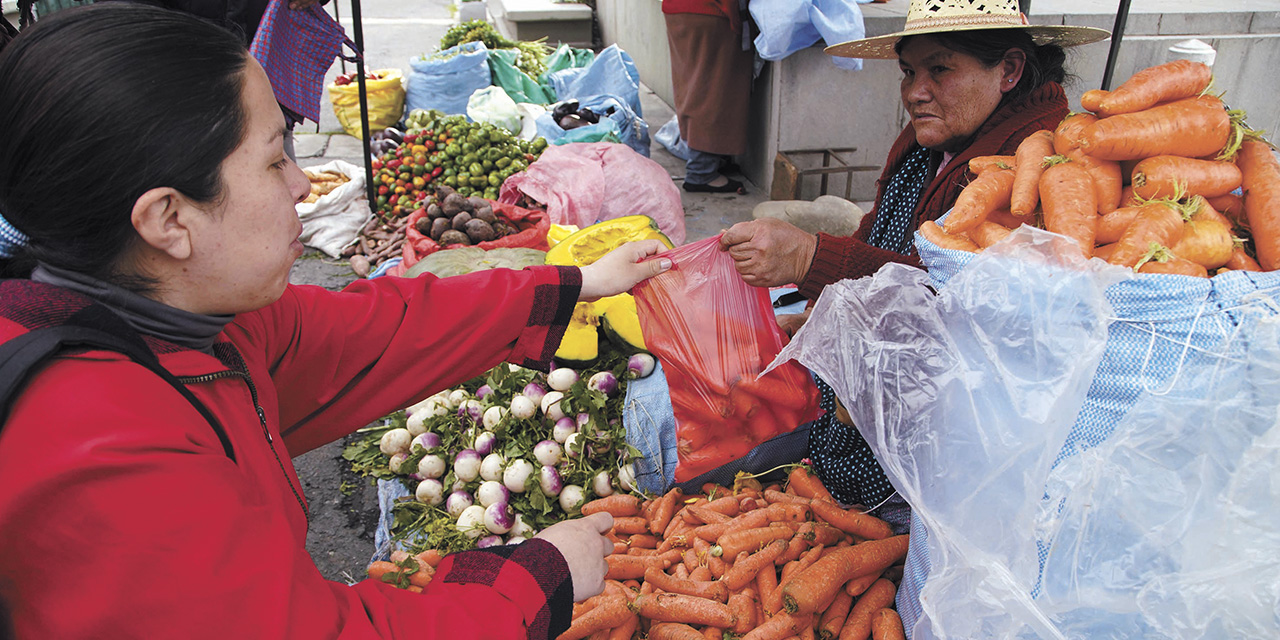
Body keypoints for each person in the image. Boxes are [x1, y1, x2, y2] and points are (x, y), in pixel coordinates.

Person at [0, 5, 670, 638]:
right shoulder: (106, 457)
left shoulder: (191, 317)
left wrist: (571, 285)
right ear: (169, 220)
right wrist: (536, 576)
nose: (301, 183)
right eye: (273, 159)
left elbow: (376, 327)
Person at [718, 0, 1107, 517]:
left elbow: (961, 309)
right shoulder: (938, 132)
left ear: (1009, 70)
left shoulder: (1038, 169)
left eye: (940, 69)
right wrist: (827, 307)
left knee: (741, 445)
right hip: (871, 366)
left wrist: (813, 257)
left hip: (939, 420)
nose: (915, 92)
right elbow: (879, 232)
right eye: (908, 71)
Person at [663, 0, 752, 194]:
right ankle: (701, 171)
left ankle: (709, 160)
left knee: (692, 85)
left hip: (678, 9)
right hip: (710, 11)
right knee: (713, 91)